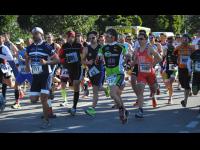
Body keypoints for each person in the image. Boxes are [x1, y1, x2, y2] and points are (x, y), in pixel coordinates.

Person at [25, 27, 59, 129]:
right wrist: (27, 65)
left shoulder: (46, 46)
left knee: (43, 99)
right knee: (33, 99)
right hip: (35, 76)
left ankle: (46, 120)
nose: (34, 35)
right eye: (33, 34)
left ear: (41, 35)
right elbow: (27, 57)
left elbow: (57, 60)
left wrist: (47, 62)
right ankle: (48, 94)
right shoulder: (29, 47)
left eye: (36, 33)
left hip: (45, 75)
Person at [97, 28, 129, 124]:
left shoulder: (121, 46)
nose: (105, 37)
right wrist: (98, 60)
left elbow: (128, 56)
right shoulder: (102, 48)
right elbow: (99, 58)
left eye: (107, 36)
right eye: (105, 36)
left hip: (119, 73)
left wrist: (128, 62)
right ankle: (125, 110)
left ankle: (121, 110)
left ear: (113, 37)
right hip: (109, 75)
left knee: (112, 94)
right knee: (116, 94)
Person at [132, 32, 162, 118]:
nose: (139, 40)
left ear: (146, 40)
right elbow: (136, 61)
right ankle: (140, 110)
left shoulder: (149, 48)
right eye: (138, 39)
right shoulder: (137, 49)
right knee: (140, 91)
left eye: (141, 39)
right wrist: (130, 64)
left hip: (150, 74)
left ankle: (157, 88)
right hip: (141, 74)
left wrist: (152, 64)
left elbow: (159, 58)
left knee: (154, 89)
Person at [82, 31, 109, 117]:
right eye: (89, 38)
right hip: (91, 71)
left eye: (93, 38)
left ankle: (92, 109)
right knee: (98, 88)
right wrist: (87, 62)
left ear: (96, 37)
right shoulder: (86, 48)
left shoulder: (101, 47)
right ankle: (106, 89)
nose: (91, 39)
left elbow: (107, 58)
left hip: (100, 70)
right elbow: (82, 60)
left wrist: (102, 60)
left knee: (95, 90)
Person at [59, 31, 84, 116]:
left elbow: (83, 54)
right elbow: (60, 57)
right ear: (67, 37)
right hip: (69, 68)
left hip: (78, 67)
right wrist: (65, 61)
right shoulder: (64, 46)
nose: (71, 38)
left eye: (72, 37)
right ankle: (84, 87)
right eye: (69, 37)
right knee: (72, 86)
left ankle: (74, 107)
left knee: (76, 84)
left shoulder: (79, 45)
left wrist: (83, 61)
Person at [174, 34, 195, 108]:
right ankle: (188, 89)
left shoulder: (192, 48)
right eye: (183, 39)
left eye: (186, 39)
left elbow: (196, 58)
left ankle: (185, 100)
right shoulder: (178, 47)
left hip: (188, 69)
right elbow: (174, 55)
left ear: (189, 40)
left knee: (186, 85)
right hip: (180, 68)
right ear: (181, 40)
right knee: (182, 83)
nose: (184, 40)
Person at [11, 38, 32, 109]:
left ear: (22, 44)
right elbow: (18, 62)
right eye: (17, 44)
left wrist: (23, 59)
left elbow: (30, 61)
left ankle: (45, 99)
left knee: (36, 88)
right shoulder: (18, 52)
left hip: (29, 72)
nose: (17, 45)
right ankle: (17, 103)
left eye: (19, 44)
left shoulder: (26, 50)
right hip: (22, 73)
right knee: (16, 85)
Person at [161, 36, 177, 104]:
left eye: (171, 41)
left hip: (173, 66)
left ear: (173, 41)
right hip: (167, 67)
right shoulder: (165, 48)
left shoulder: (177, 48)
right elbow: (163, 57)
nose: (170, 43)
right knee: (167, 84)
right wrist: (162, 67)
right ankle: (169, 91)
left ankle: (170, 98)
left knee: (170, 83)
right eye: (169, 41)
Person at [0, 33, 15, 102]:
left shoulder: (4, 48)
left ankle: (18, 88)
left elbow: (10, 58)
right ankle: (3, 98)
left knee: (10, 85)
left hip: (5, 68)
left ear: (3, 40)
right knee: (3, 83)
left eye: (0, 39)